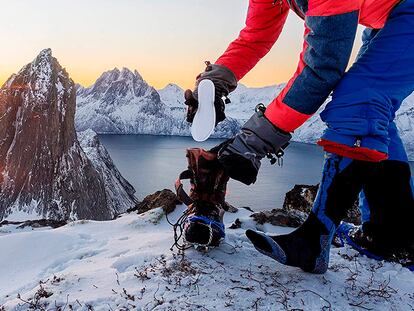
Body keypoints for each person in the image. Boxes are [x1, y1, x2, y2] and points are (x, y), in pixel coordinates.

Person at [181, 0, 414, 273]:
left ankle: (313, 242)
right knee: (372, 108)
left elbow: (320, 71)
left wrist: (256, 139)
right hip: (389, 16)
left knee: (361, 99)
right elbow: (256, 36)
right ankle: (392, 235)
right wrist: (217, 79)